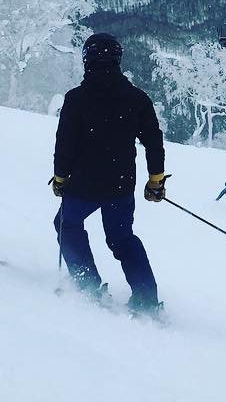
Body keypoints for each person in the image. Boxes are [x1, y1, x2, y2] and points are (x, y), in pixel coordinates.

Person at [49, 32, 168, 315]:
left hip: (83, 186)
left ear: (86, 60)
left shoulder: (76, 98)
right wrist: (156, 181)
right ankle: (147, 299)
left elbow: (64, 143)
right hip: (121, 184)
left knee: (67, 225)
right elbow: (154, 141)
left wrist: (60, 177)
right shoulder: (137, 98)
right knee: (122, 238)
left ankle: (87, 283)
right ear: (118, 60)